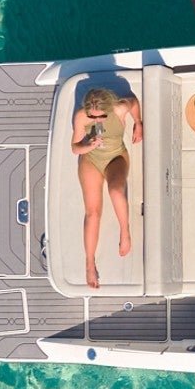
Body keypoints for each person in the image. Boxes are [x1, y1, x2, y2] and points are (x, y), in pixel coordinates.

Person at [72, 87, 142, 289]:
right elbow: (75, 147)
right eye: (92, 116)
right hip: (91, 160)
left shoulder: (120, 109)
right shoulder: (81, 117)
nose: (97, 120)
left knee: (116, 191)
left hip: (115, 157)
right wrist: (88, 146)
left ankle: (125, 231)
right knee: (92, 213)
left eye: (102, 115)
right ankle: (89, 263)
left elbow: (134, 102)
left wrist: (138, 123)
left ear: (109, 108)